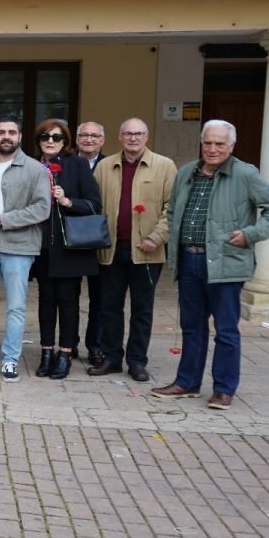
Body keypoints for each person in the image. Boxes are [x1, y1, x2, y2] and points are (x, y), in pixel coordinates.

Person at [151, 120, 269, 410]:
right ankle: (187, 382)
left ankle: (224, 389)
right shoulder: (187, 171)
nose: (212, 149)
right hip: (189, 258)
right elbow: (174, 210)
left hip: (225, 262)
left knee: (226, 330)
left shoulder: (245, 173)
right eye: (207, 143)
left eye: (219, 144)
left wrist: (251, 234)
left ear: (231, 146)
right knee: (191, 326)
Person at [89, 118, 175, 381]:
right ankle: (112, 357)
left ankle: (137, 361)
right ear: (119, 136)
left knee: (142, 308)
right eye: (128, 134)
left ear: (147, 136)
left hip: (147, 250)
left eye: (138, 134)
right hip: (111, 249)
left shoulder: (164, 166)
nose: (133, 138)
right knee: (109, 307)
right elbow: (94, 204)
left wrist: (157, 237)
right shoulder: (105, 166)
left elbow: (172, 207)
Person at [0, 116, 52, 382]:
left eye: (12, 132)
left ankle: (10, 360)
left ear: (19, 136)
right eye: (1, 132)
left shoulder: (35, 169)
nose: (6, 136)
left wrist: (3, 220)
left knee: (15, 307)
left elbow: (42, 208)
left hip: (18, 247)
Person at [31, 119, 102, 380]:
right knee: (45, 301)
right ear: (38, 140)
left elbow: (94, 204)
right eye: (45, 137)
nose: (51, 141)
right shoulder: (32, 166)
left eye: (57, 137)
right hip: (41, 245)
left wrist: (67, 200)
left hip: (69, 247)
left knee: (68, 301)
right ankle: (46, 352)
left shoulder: (77, 165)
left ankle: (65, 353)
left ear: (65, 142)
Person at [75, 121, 107, 363]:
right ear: (76, 139)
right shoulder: (65, 163)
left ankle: (95, 346)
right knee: (69, 295)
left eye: (94, 136)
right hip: (71, 237)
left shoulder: (110, 165)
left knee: (100, 297)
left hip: (99, 237)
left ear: (102, 140)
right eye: (84, 135)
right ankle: (69, 343)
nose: (89, 139)